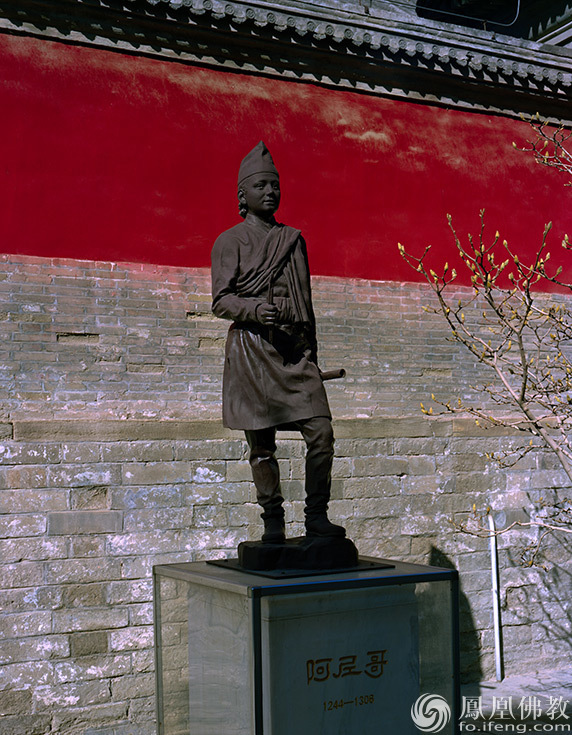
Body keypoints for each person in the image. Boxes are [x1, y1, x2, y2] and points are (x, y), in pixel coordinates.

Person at [211, 141, 345, 544]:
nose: (270, 192)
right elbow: (220, 300)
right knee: (262, 445)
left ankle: (316, 516)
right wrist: (253, 310)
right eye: (261, 186)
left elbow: (307, 302)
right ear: (243, 195)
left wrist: (312, 354)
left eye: (275, 186)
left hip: (294, 352)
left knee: (321, 432)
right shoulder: (229, 241)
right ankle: (273, 519)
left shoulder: (293, 239)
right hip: (252, 350)